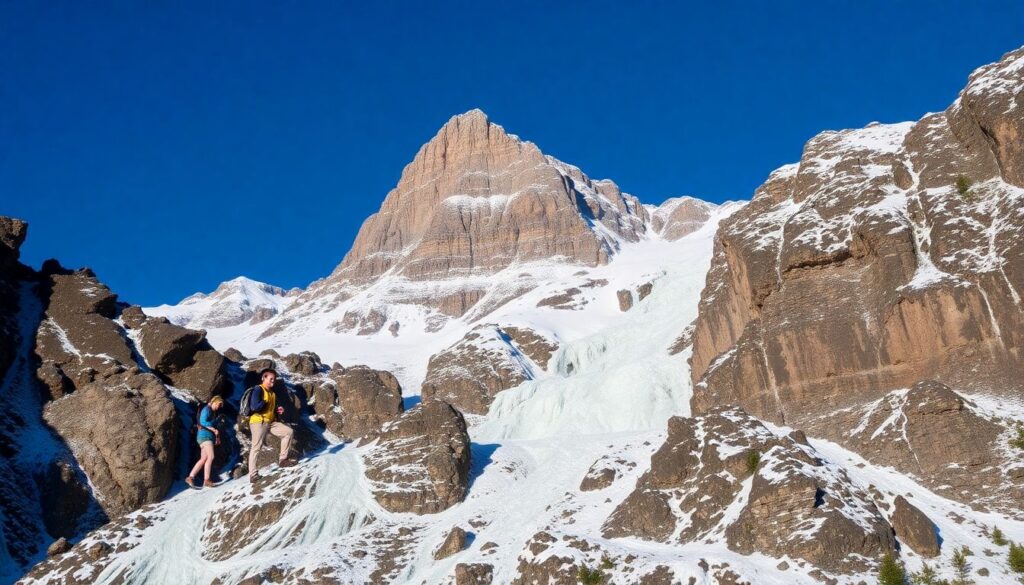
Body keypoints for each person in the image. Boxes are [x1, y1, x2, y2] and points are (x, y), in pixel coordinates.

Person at [248, 368, 296, 482]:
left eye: (274, 379)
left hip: (271, 422)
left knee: (288, 432)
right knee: (256, 446)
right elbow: (254, 406)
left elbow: (271, 409)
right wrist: (264, 402)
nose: (273, 381)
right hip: (258, 421)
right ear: (263, 378)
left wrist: (277, 410)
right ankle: (253, 474)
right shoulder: (258, 389)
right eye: (270, 379)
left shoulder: (272, 393)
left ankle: (283, 460)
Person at [186, 395, 225, 488]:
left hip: (205, 437)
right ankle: (206, 480)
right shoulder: (206, 410)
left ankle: (191, 477)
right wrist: (214, 429)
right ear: (214, 402)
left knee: (204, 458)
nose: (219, 407)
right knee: (211, 457)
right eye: (219, 405)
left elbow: (208, 423)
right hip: (205, 436)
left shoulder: (211, 411)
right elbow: (203, 422)